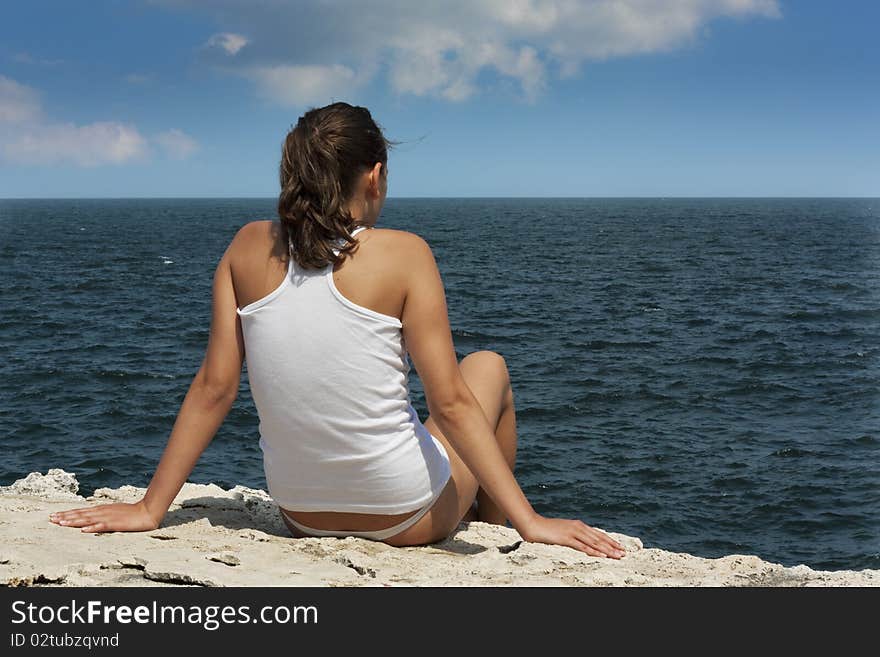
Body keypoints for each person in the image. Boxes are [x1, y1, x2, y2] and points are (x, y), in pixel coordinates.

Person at [49, 102, 625, 559]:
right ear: (374, 176)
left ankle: (488, 518)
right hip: (408, 516)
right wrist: (533, 520)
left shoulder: (247, 246)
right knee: (487, 368)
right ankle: (503, 530)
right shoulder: (406, 254)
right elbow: (448, 402)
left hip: (301, 515)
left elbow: (214, 389)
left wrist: (152, 508)